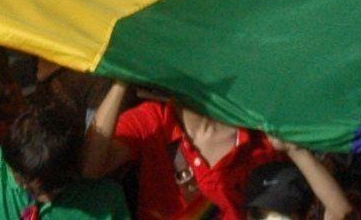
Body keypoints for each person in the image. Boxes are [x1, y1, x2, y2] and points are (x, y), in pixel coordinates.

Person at [83, 80, 278, 220]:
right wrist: (122, 82)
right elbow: (90, 168)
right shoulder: (153, 120)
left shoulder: (261, 140)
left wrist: (297, 153)